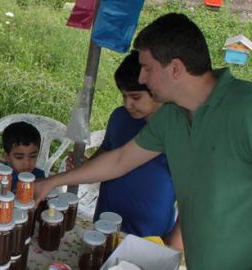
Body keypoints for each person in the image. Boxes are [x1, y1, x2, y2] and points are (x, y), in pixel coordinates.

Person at [35, 13, 252, 270]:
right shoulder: (171, 115)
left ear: (175, 68)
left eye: (147, 68)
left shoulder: (244, 107)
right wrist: (51, 182)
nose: (141, 78)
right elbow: (119, 160)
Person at [66, 51, 179, 243]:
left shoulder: (177, 133)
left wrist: (171, 245)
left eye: (135, 97)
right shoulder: (120, 117)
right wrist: (85, 167)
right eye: (124, 96)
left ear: (157, 90)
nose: (128, 104)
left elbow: (192, 200)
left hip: (150, 236)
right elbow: (106, 153)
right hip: (105, 224)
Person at [2, 121, 45, 191]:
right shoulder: (0, 179)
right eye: (19, 157)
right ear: (7, 156)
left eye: (33, 156)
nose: (27, 163)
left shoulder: (39, 177)